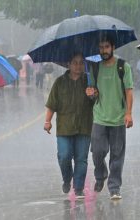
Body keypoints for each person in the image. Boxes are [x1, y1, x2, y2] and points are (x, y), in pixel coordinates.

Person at [86, 35, 134, 200]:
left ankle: (114, 187)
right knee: (97, 152)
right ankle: (100, 175)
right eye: (101, 47)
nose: (104, 51)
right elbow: (93, 91)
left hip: (118, 119)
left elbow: (129, 91)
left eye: (106, 47)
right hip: (99, 118)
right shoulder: (95, 68)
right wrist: (91, 93)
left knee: (117, 155)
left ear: (113, 47)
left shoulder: (123, 67)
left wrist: (128, 113)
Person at [44, 52, 93, 199]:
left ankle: (78, 188)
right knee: (64, 157)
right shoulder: (60, 82)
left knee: (81, 159)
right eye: (75, 62)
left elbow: (97, 102)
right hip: (64, 128)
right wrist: (47, 121)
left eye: (81, 63)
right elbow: (52, 104)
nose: (78, 66)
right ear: (69, 64)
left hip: (84, 126)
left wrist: (93, 94)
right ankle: (67, 179)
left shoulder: (89, 81)